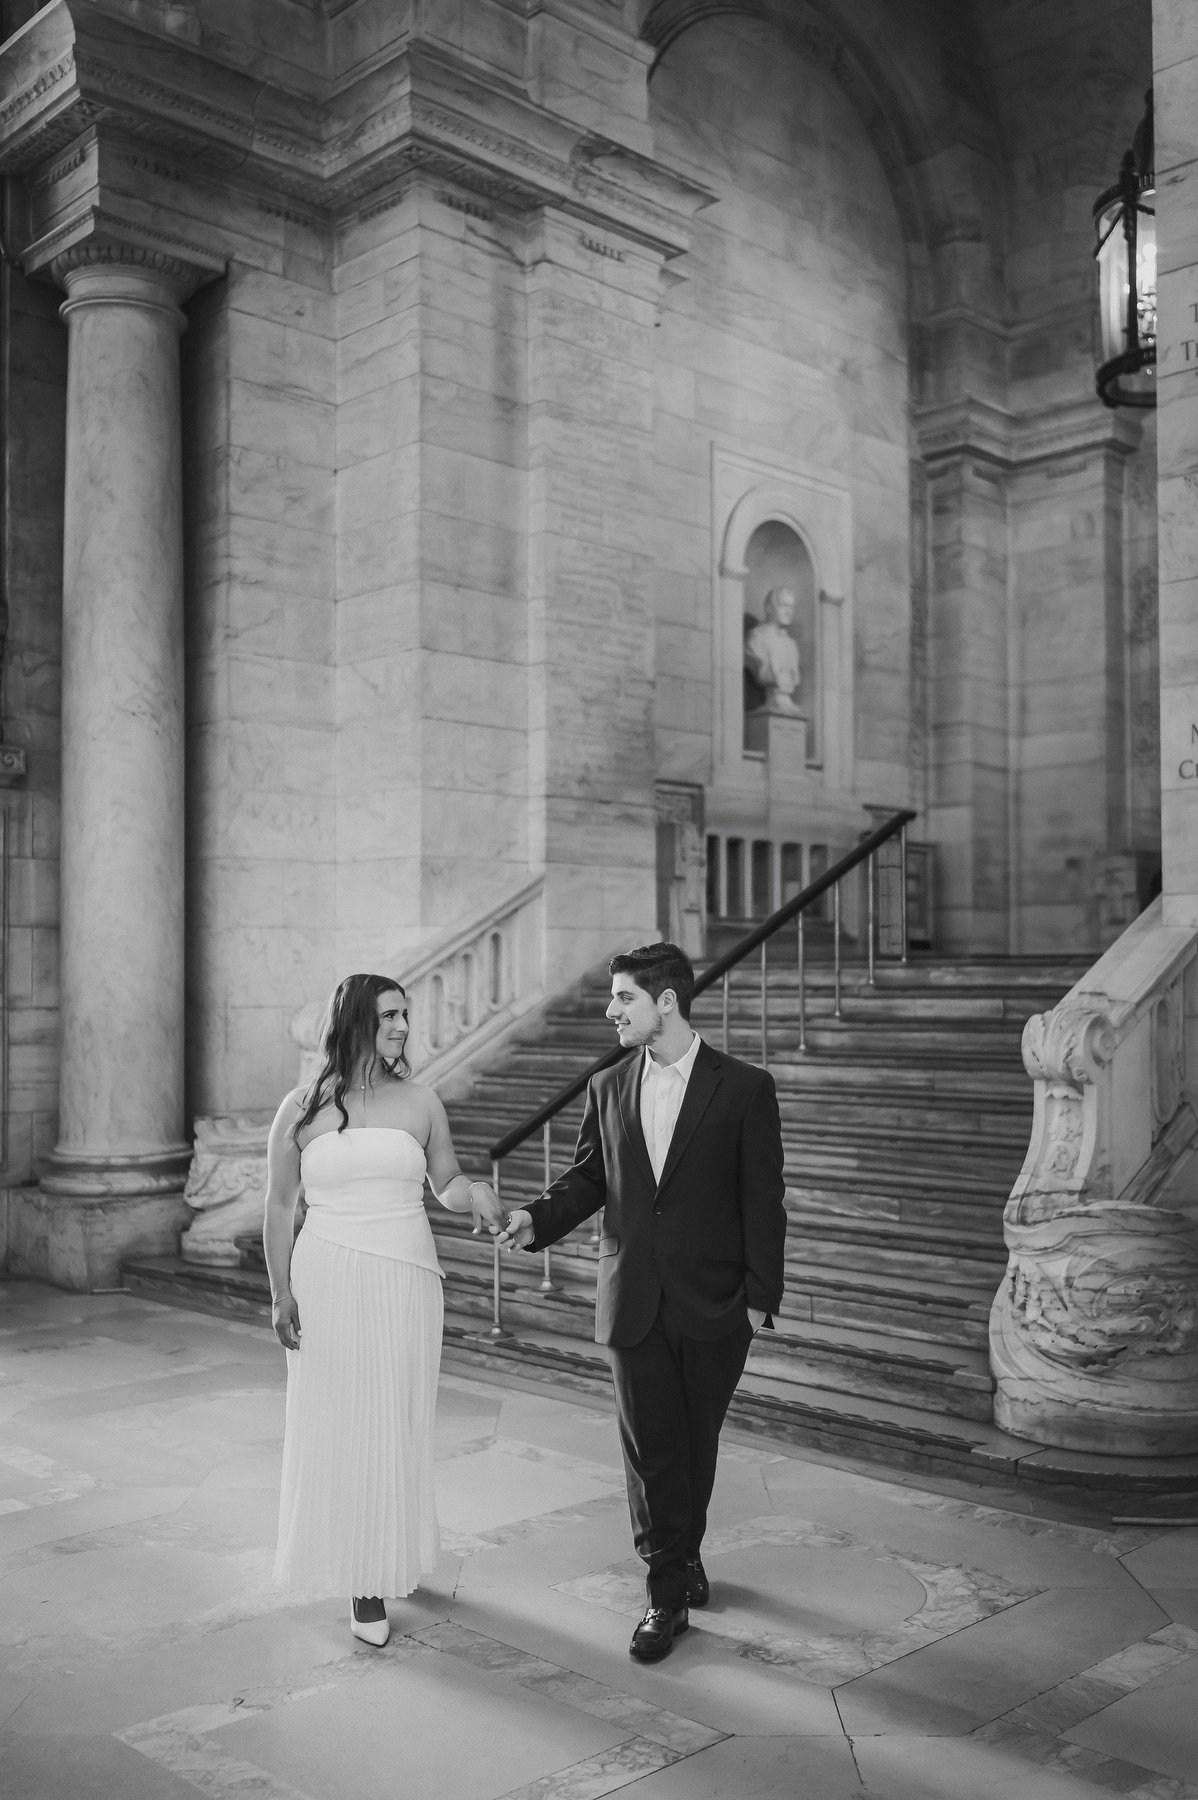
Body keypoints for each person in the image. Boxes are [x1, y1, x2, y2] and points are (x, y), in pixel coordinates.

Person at [498, 942, 786, 1663]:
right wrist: (537, 1219)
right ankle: (664, 1592)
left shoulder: (745, 1088)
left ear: (666, 1002)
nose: (610, 1011)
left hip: (717, 1303)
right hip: (632, 1300)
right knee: (649, 1449)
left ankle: (684, 1556)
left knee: (696, 1444)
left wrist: (759, 1299)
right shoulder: (608, 1086)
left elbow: (764, 1201)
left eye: (624, 997)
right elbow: (588, 1179)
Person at [264, 972, 506, 1647]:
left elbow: (447, 1181)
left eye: (406, 1014)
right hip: (328, 1277)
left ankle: (388, 1551)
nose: (402, 1026)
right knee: (344, 1424)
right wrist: (280, 1288)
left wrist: (477, 1193)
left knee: (393, 1422)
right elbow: (279, 1206)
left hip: (405, 1277)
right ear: (354, 1023)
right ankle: (363, 1585)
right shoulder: (302, 1107)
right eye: (389, 1015)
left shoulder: (422, 1100)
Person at [744, 585, 802, 713]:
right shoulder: (757, 638)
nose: (788, 611)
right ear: (768, 608)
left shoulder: (791, 645)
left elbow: (795, 677)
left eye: (791, 607)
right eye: (783, 606)